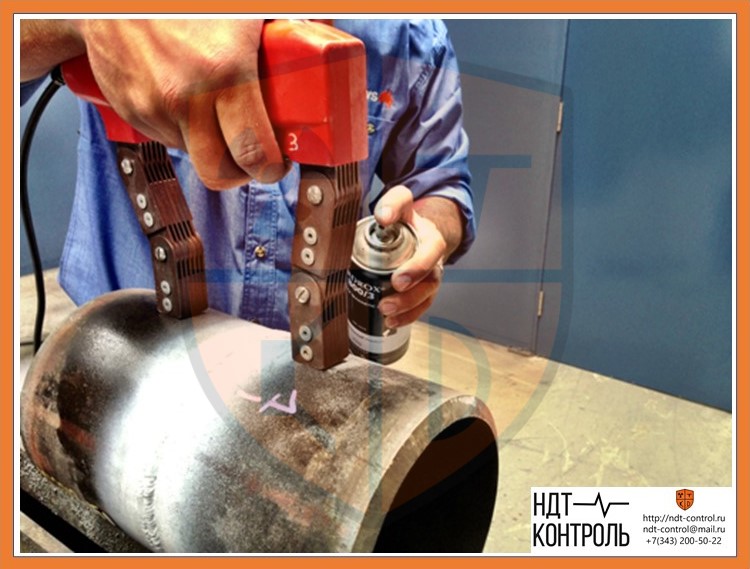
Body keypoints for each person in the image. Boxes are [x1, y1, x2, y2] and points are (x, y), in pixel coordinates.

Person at [20, 19, 475, 332]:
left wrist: (426, 233)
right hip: (120, 346)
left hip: (309, 370)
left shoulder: (411, 34)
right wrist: (89, 20)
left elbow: (442, 183)